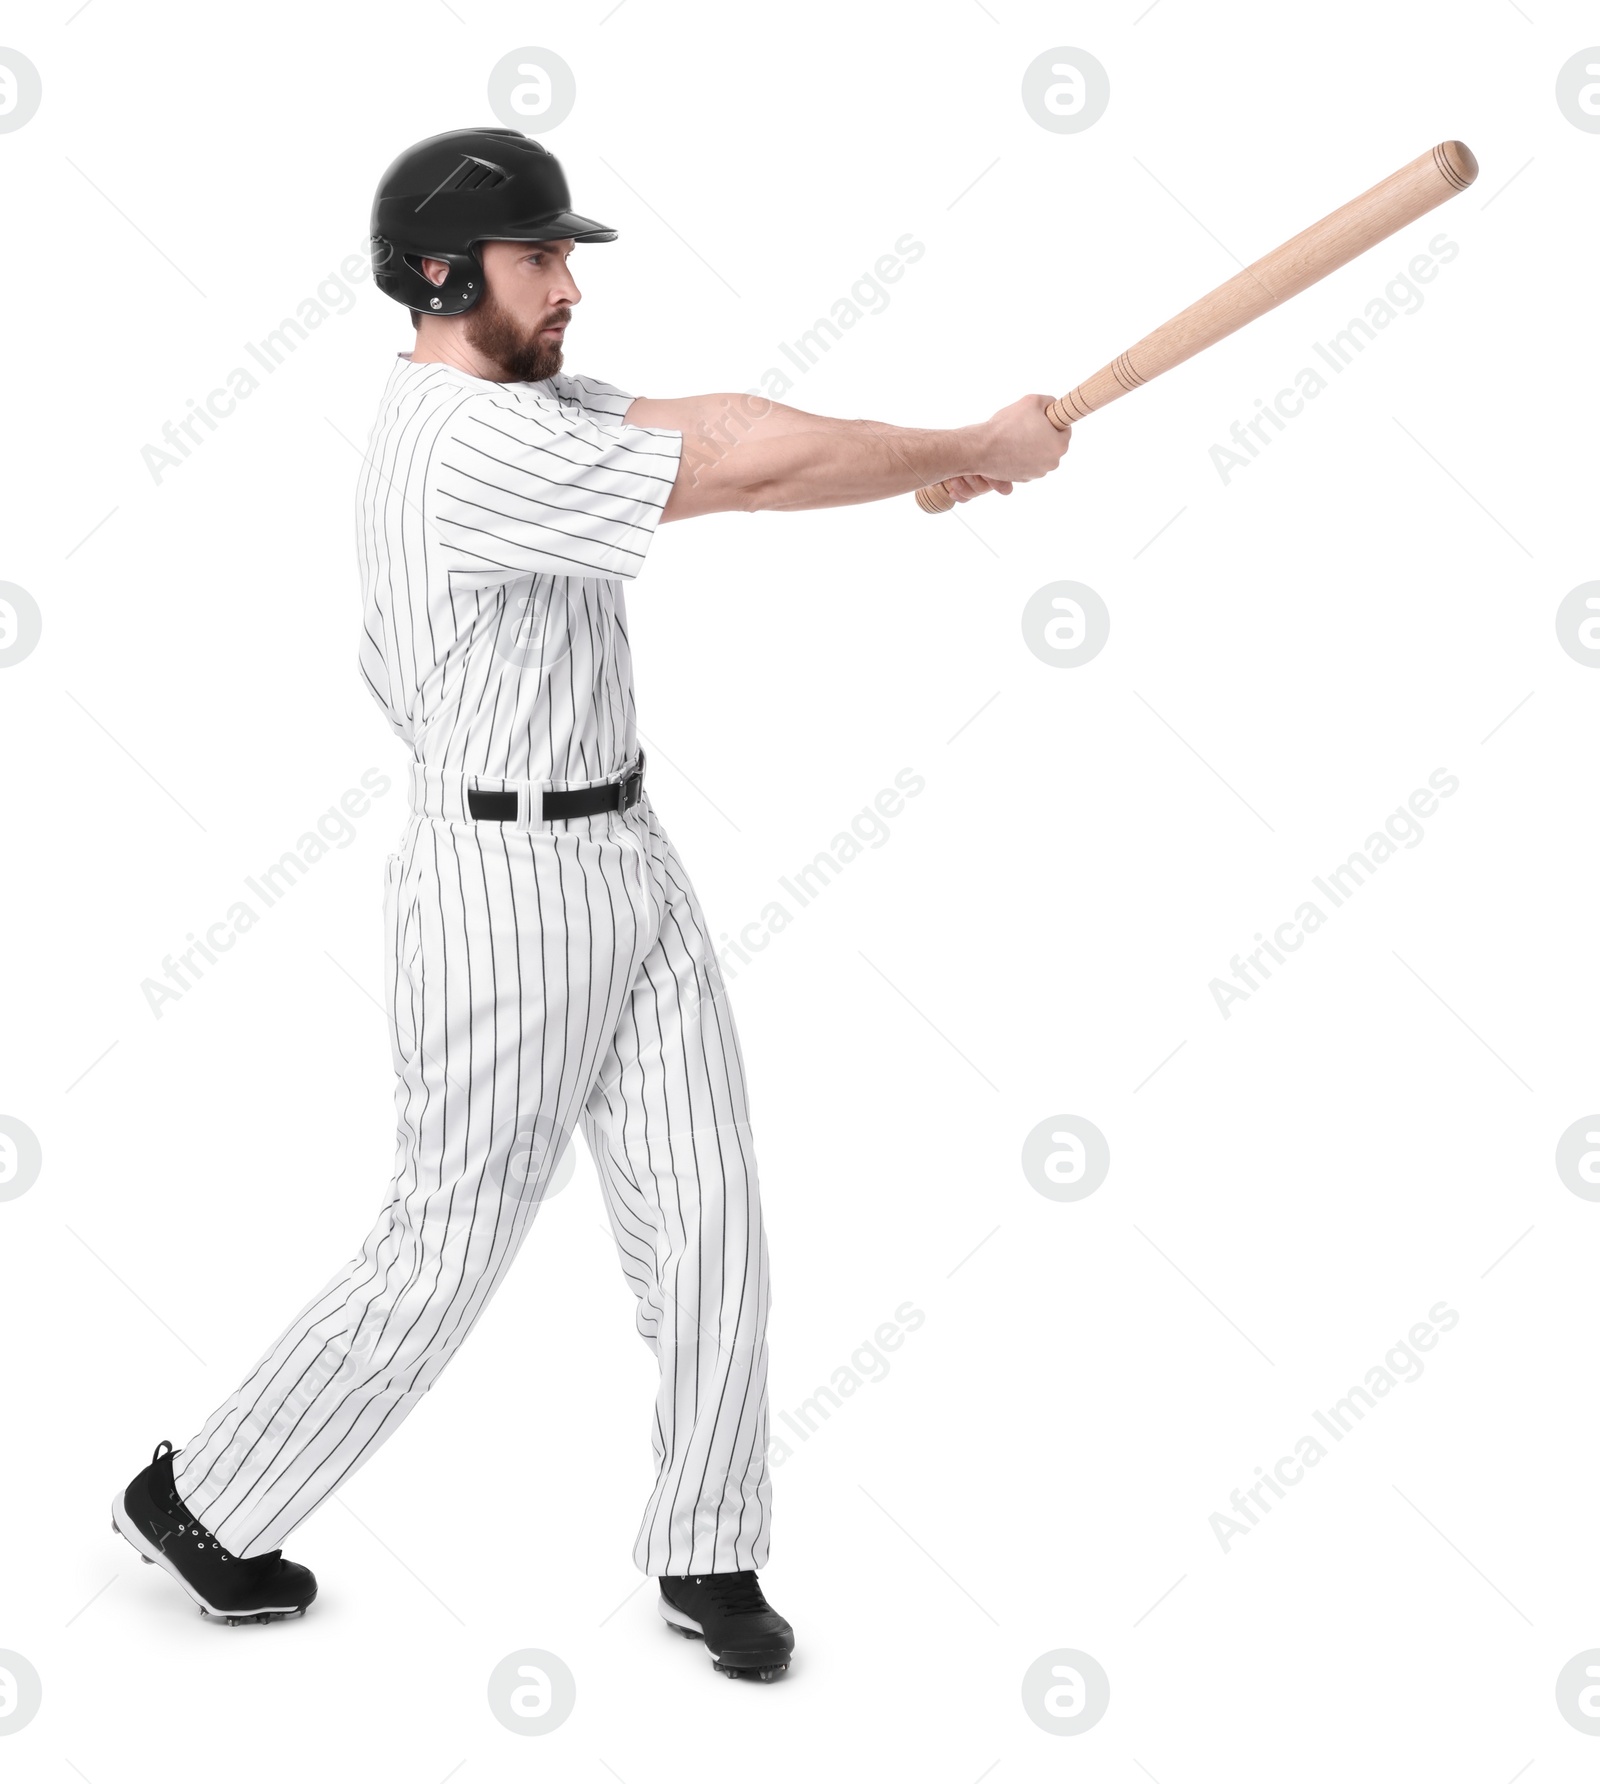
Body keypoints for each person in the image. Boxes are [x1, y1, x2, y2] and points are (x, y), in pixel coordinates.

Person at [110, 126, 1070, 1679]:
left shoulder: (529, 402)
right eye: (539, 258)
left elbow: (733, 418)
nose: (569, 285)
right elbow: (746, 474)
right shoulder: (466, 442)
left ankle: (709, 1546)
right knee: (452, 1236)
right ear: (438, 274)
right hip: (501, 884)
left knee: (711, 1219)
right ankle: (205, 1496)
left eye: (565, 256)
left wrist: (943, 449)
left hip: (623, 847)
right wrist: (975, 440)